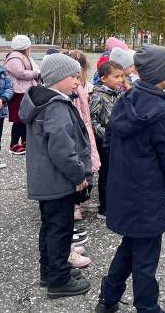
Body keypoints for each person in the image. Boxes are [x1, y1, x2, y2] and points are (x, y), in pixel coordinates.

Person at [95, 45, 165, 313]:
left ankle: (108, 299)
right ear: (161, 74)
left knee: (130, 245)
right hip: (147, 193)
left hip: (124, 187)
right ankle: (147, 307)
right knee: (145, 257)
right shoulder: (162, 114)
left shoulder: (124, 99)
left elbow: (109, 141)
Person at [19, 53, 92, 299]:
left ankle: (50, 271)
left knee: (50, 227)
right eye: (73, 76)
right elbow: (62, 150)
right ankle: (59, 280)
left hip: (46, 179)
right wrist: (79, 175)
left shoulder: (41, 101)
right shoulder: (56, 106)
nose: (78, 81)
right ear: (57, 78)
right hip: (58, 180)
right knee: (60, 229)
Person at [66, 50, 101, 225]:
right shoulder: (70, 90)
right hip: (75, 131)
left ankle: (84, 199)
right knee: (77, 165)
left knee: (89, 164)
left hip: (85, 129)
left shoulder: (84, 86)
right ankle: (74, 204)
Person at [89, 60, 125, 220]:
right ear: (103, 78)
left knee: (119, 173)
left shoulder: (119, 94)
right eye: (116, 76)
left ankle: (118, 202)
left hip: (120, 140)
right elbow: (93, 120)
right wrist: (106, 135)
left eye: (122, 76)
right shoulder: (98, 96)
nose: (121, 80)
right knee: (107, 174)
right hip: (105, 142)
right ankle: (104, 208)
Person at [6, 35, 40, 155]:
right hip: (18, 91)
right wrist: (36, 73)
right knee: (18, 119)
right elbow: (20, 73)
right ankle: (14, 144)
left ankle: (25, 141)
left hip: (24, 90)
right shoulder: (14, 57)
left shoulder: (20, 56)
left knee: (25, 118)